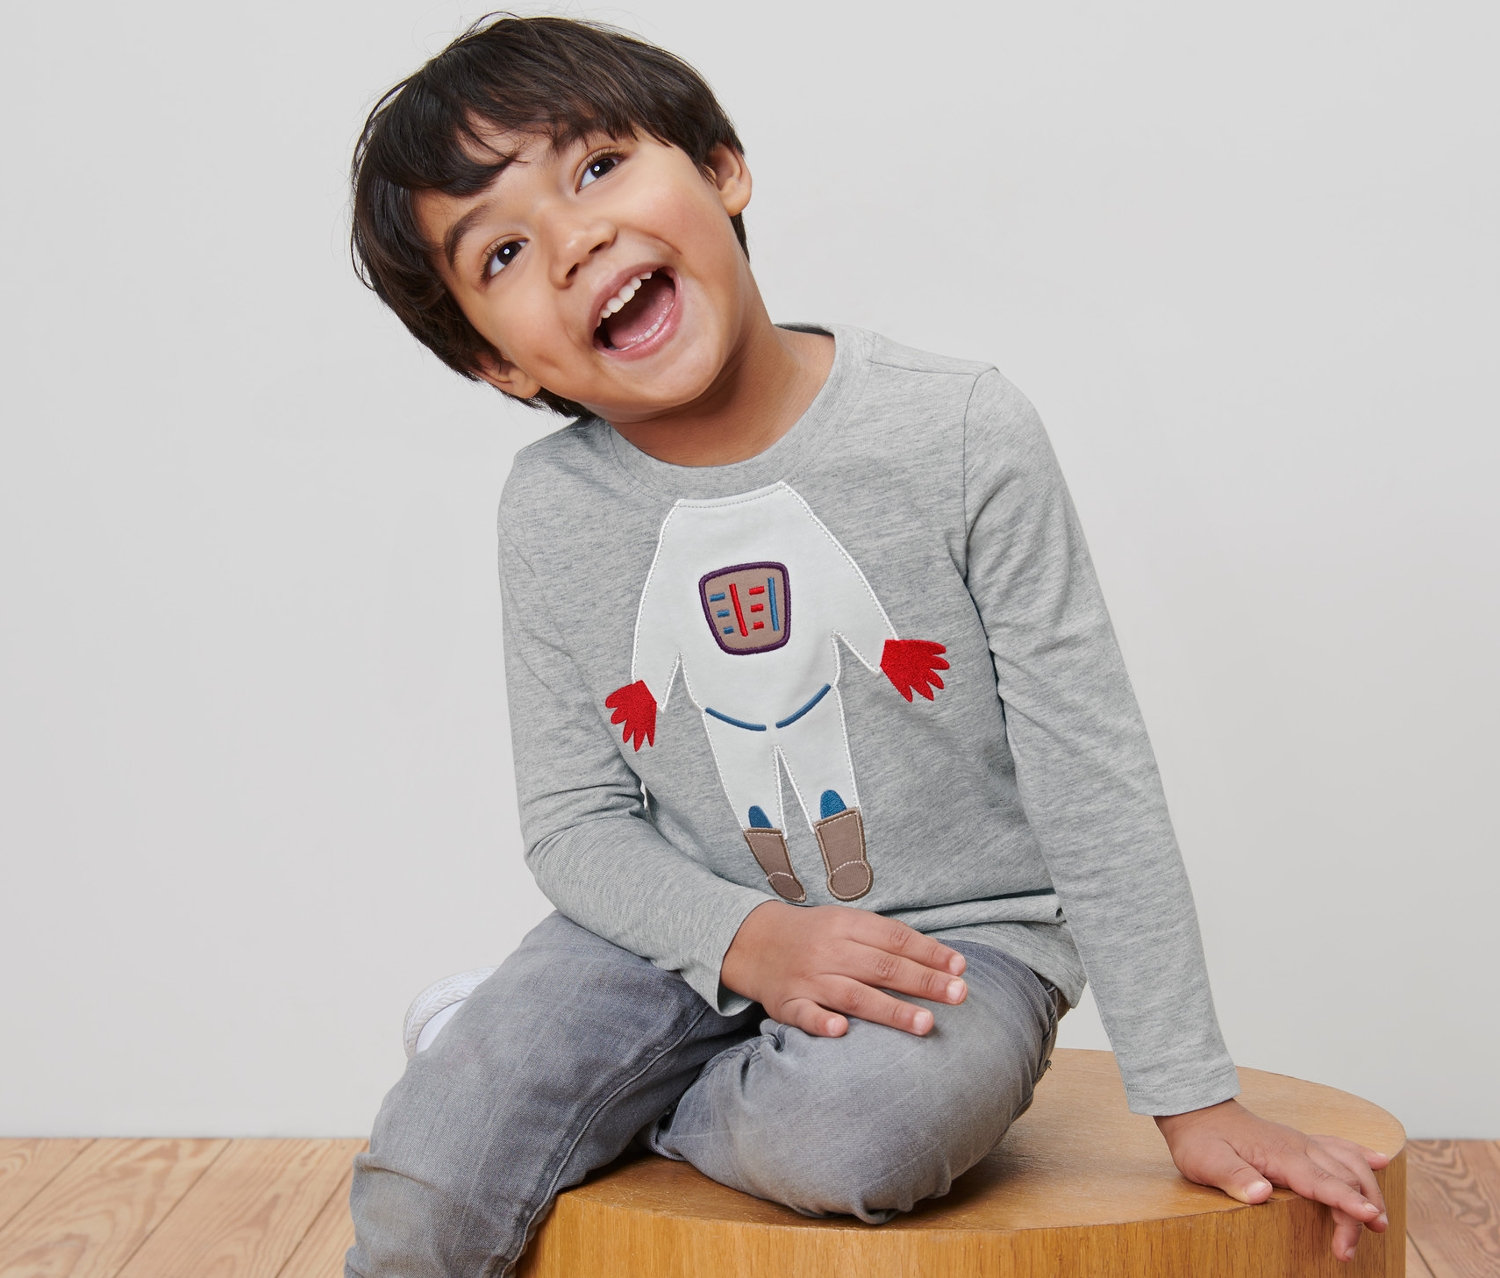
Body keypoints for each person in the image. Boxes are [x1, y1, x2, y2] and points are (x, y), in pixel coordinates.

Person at [344, 15, 1390, 1277]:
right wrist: (744, 943)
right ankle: (506, 1057)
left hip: (958, 941)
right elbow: (573, 821)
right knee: (423, 1172)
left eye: (598, 167)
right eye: (504, 250)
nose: (574, 243)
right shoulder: (553, 510)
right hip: (668, 932)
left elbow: (1090, 775)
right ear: (494, 361)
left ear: (722, 166)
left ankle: (631, 1110)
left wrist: (1191, 1094)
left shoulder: (956, 431)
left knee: (863, 1136)